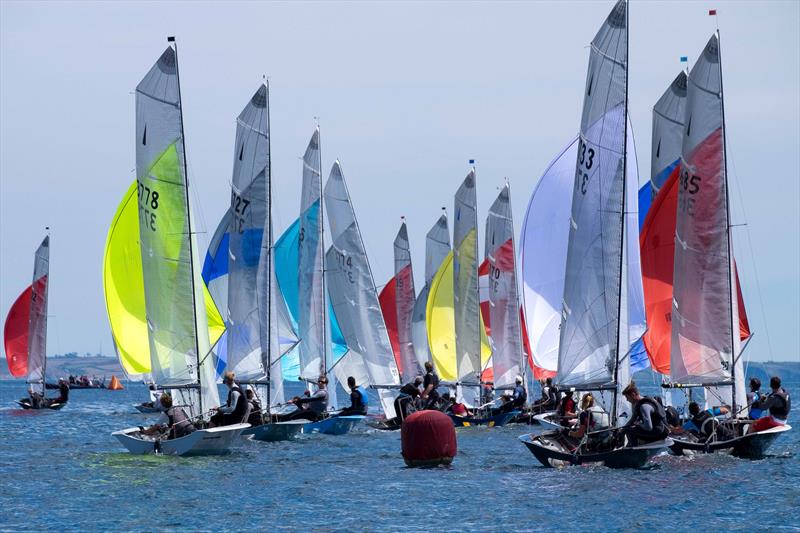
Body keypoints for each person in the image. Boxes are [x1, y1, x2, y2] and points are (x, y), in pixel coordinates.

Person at [620, 382, 669, 446]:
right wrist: (622, 430)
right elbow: (632, 420)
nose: (627, 400)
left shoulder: (644, 406)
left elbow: (649, 427)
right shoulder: (639, 403)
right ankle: (625, 446)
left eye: (627, 397)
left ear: (633, 394)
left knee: (630, 431)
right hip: (657, 429)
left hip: (658, 432)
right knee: (626, 429)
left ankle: (634, 451)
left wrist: (639, 424)